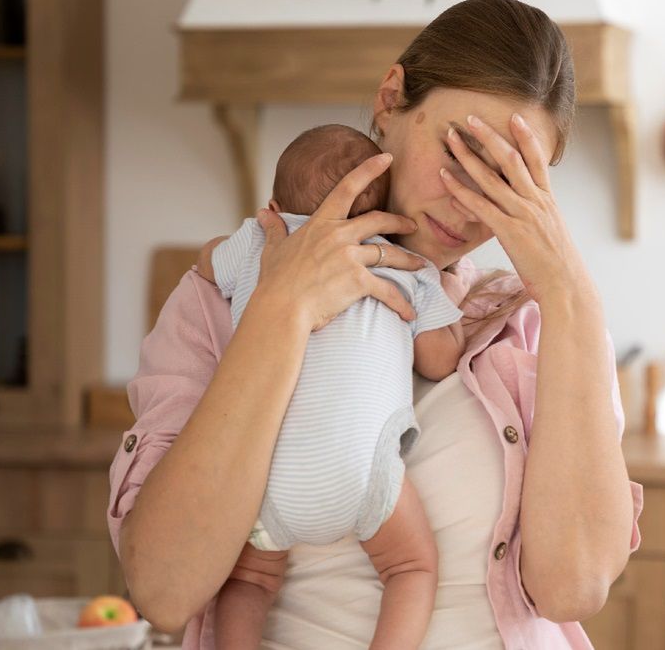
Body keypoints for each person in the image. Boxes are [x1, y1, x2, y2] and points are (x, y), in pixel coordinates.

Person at [107, 0, 643, 649]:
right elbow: (164, 590)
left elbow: (572, 587)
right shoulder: (220, 306)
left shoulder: (535, 330)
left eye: (504, 177)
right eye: (461, 151)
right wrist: (281, 311)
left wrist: (570, 295)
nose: (468, 202)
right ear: (391, 99)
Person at [199, 123, 468, 649]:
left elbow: (205, 264)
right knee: (411, 569)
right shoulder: (404, 265)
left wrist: (241, 238)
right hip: (362, 474)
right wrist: (447, 294)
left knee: (249, 581)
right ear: (383, 216)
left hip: (266, 477)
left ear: (275, 206)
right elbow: (440, 361)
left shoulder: (259, 245)